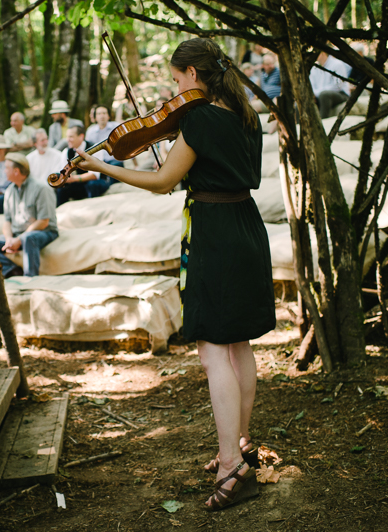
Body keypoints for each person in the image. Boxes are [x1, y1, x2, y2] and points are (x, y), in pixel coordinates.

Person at [74, 37, 275, 511]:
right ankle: (241, 442)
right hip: (246, 226)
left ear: (192, 75)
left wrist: (101, 166)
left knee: (211, 351)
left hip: (215, 233)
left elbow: (163, 182)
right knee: (238, 343)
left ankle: (231, 465)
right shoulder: (245, 115)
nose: (172, 92)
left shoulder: (201, 118)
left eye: (175, 80)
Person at [0, 152, 58, 278]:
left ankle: (30, 278)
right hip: (19, 234)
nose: (4, 171)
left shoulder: (41, 188)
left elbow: (44, 221)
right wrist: (9, 240)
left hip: (45, 232)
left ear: (16, 171)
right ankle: (12, 270)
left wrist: (20, 239)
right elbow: (7, 221)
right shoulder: (9, 191)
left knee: (28, 238)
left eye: (6, 168)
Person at [55, 125, 108, 206]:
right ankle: (60, 210)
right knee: (61, 187)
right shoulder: (66, 152)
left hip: (97, 181)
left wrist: (74, 179)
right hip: (79, 183)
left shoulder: (94, 148)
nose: (68, 140)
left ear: (81, 137)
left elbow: (94, 175)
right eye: (67, 136)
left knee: (92, 185)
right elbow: (65, 171)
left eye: (71, 137)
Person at [309, 50, 352, 118]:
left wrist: (316, 93)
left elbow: (337, 86)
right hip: (319, 95)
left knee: (324, 95)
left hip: (341, 94)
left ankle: (324, 121)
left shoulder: (337, 64)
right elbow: (311, 85)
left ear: (323, 53)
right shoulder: (314, 68)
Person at [85, 105, 122, 170]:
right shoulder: (90, 131)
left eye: (104, 113)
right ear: (95, 117)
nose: (102, 116)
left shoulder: (116, 127)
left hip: (114, 161)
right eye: (99, 114)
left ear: (108, 116)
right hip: (98, 162)